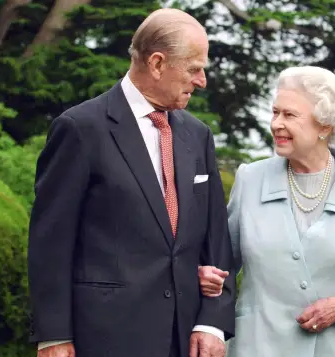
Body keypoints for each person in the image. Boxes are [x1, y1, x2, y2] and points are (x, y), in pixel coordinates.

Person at [27, 8, 235, 357]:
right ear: (156, 63)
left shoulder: (198, 136)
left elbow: (216, 240)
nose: (201, 81)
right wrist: (53, 335)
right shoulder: (80, 129)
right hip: (105, 337)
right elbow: (51, 241)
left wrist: (211, 322)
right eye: (194, 69)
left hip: (185, 339)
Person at [197, 66, 335, 357]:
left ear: (324, 125)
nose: (276, 124)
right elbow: (221, 262)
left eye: (289, 115)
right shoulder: (250, 179)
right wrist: (203, 274)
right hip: (258, 348)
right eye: (275, 113)